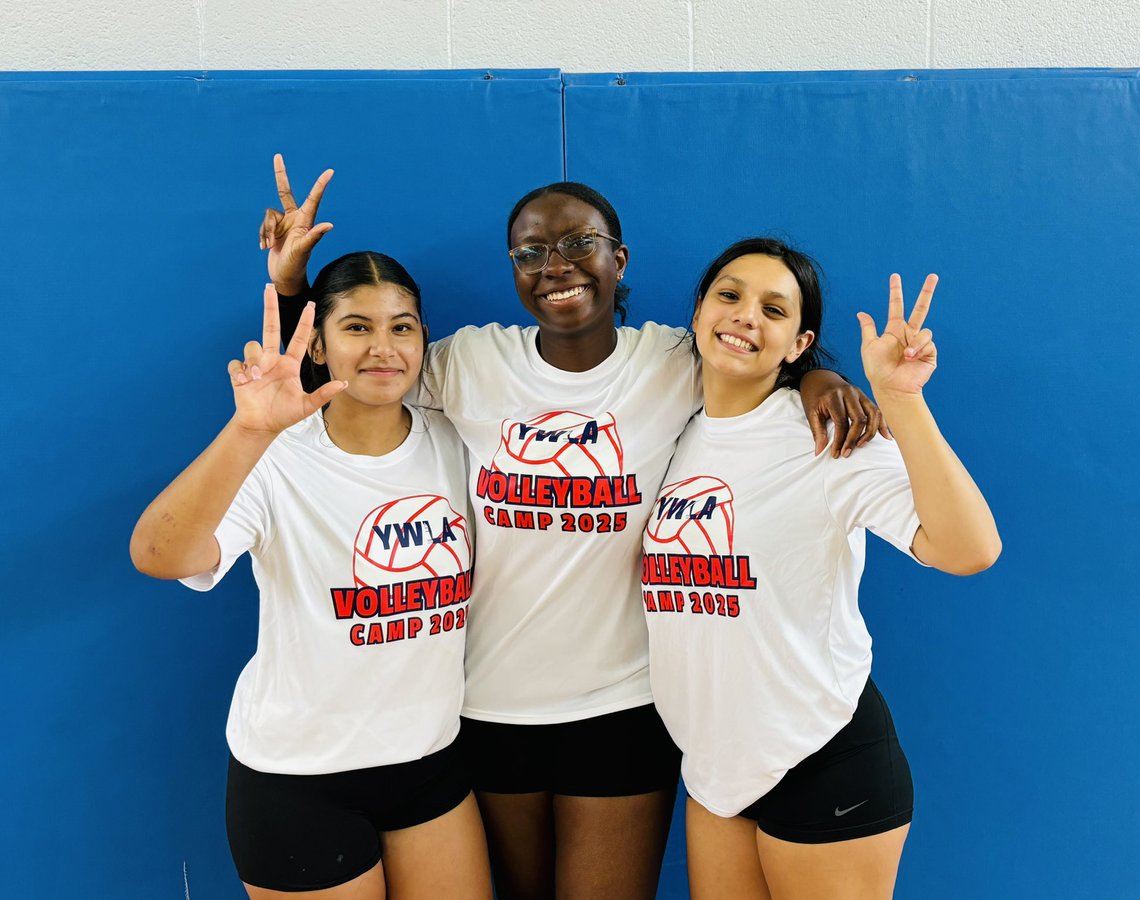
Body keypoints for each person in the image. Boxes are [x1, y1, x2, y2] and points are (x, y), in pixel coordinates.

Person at [260, 159, 885, 900]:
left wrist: (819, 376)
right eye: (530, 252)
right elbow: (340, 375)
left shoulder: (673, 359)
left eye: (578, 243)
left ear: (618, 259)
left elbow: (752, 360)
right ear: (514, 269)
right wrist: (291, 286)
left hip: (622, 706)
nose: (555, 266)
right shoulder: (468, 362)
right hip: (489, 706)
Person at [641, 238, 1002, 899]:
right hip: (717, 770)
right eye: (730, 295)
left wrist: (900, 400)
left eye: (773, 309)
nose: (746, 315)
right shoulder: (670, 427)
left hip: (822, 754)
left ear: (799, 342)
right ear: (697, 314)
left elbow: (968, 549)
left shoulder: (828, 435)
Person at [130, 253, 491, 899]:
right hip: (298, 778)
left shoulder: (458, 440)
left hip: (430, 765)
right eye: (357, 328)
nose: (383, 347)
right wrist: (248, 431)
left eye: (402, 327)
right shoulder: (277, 458)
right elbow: (160, 555)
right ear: (319, 344)